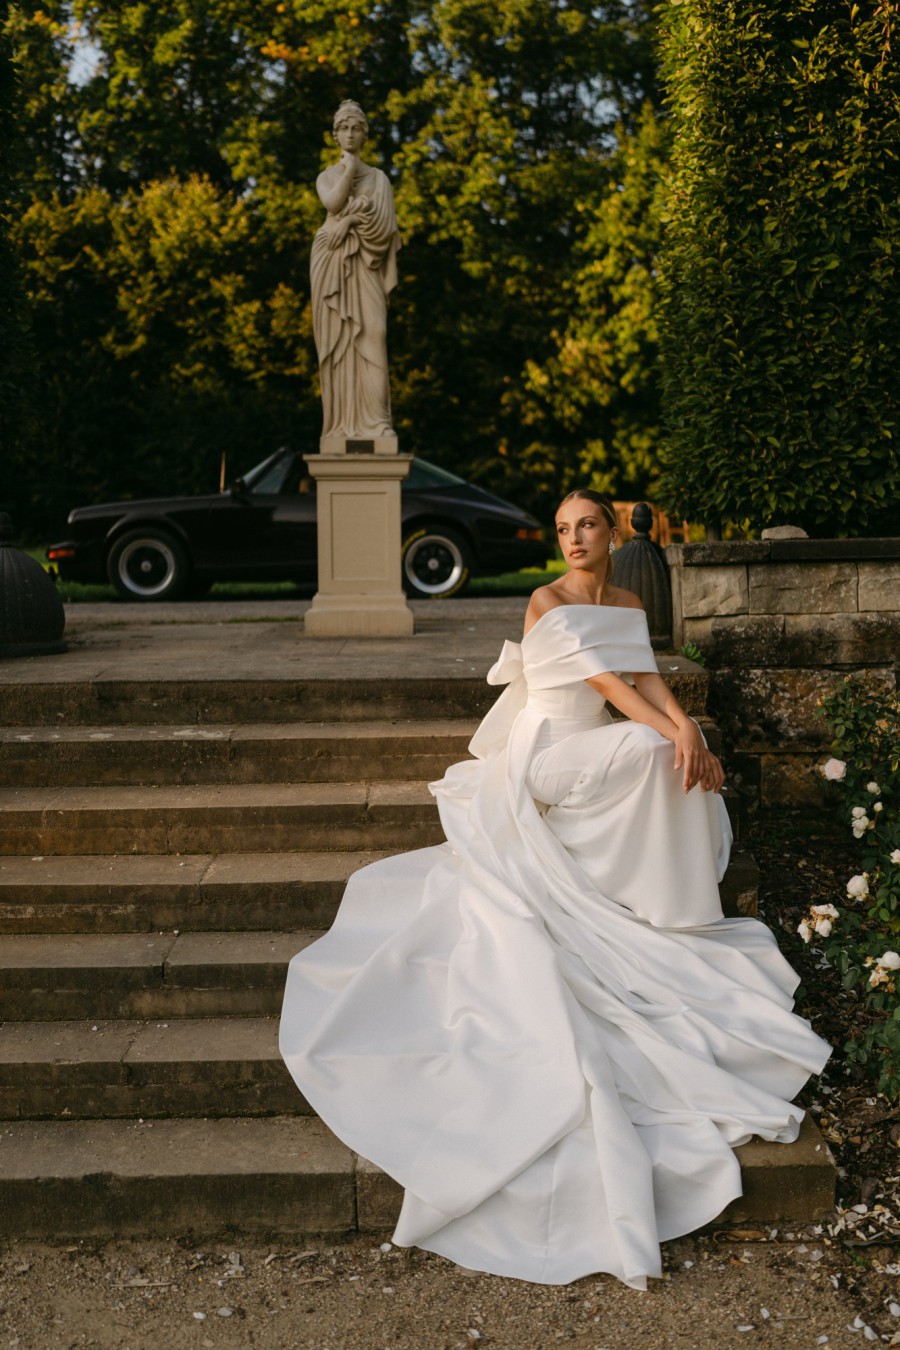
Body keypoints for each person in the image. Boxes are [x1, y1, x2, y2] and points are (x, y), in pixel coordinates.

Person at [280, 488, 831, 1290]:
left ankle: (662, 905)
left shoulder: (630, 596)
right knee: (653, 756)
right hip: (549, 749)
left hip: (610, 735)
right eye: (566, 529)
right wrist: (674, 734)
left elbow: (646, 673)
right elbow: (610, 688)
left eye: (588, 527)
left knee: (670, 756)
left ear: (611, 533)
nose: (574, 539)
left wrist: (689, 725)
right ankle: (657, 902)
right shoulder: (548, 599)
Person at [310, 100, 400, 442]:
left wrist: (347, 221)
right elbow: (332, 203)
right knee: (338, 346)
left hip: (367, 264)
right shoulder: (327, 176)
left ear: (365, 134)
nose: (349, 133)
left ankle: (376, 424)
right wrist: (349, 172)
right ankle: (340, 425)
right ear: (336, 136)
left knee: (373, 335)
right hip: (331, 262)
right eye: (343, 128)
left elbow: (383, 227)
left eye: (355, 128)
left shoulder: (379, 180)